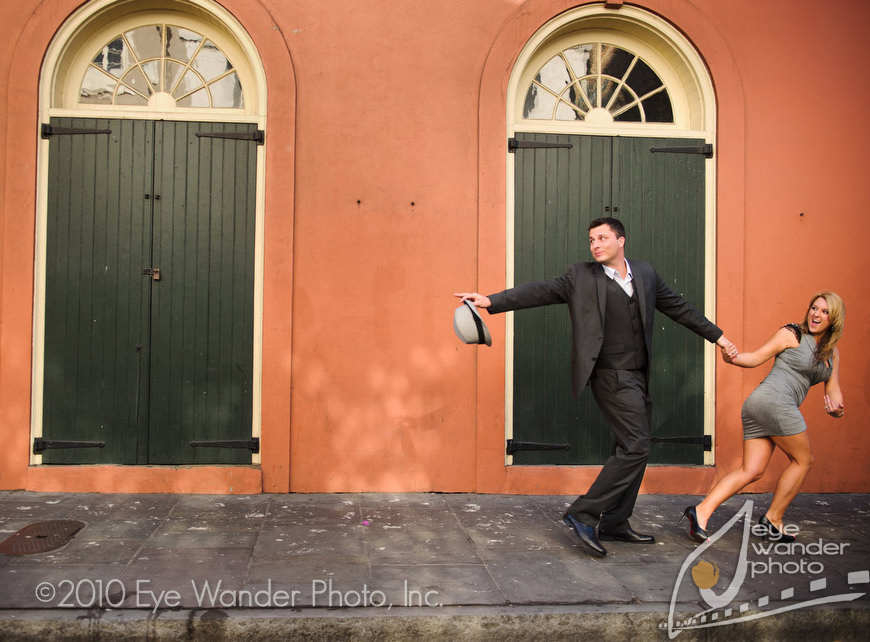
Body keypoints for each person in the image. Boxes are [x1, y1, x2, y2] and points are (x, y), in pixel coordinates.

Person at [455, 217, 737, 557]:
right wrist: (491, 301)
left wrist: (719, 338)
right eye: (591, 240)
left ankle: (616, 522)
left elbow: (680, 308)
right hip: (607, 373)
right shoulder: (580, 276)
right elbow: (539, 291)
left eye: (602, 238)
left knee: (630, 445)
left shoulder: (645, 274)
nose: (595, 244)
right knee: (637, 446)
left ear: (621, 241)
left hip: (638, 374)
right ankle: (583, 513)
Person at [682, 291, 845, 544]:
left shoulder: (832, 354)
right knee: (804, 460)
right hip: (775, 403)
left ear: (834, 318)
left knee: (752, 469)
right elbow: (757, 357)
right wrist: (733, 357)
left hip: (760, 405)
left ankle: (700, 512)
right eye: (814, 308)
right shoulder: (793, 333)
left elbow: (833, 391)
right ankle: (773, 519)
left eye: (824, 311)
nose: (816, 314)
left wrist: (838, 409)